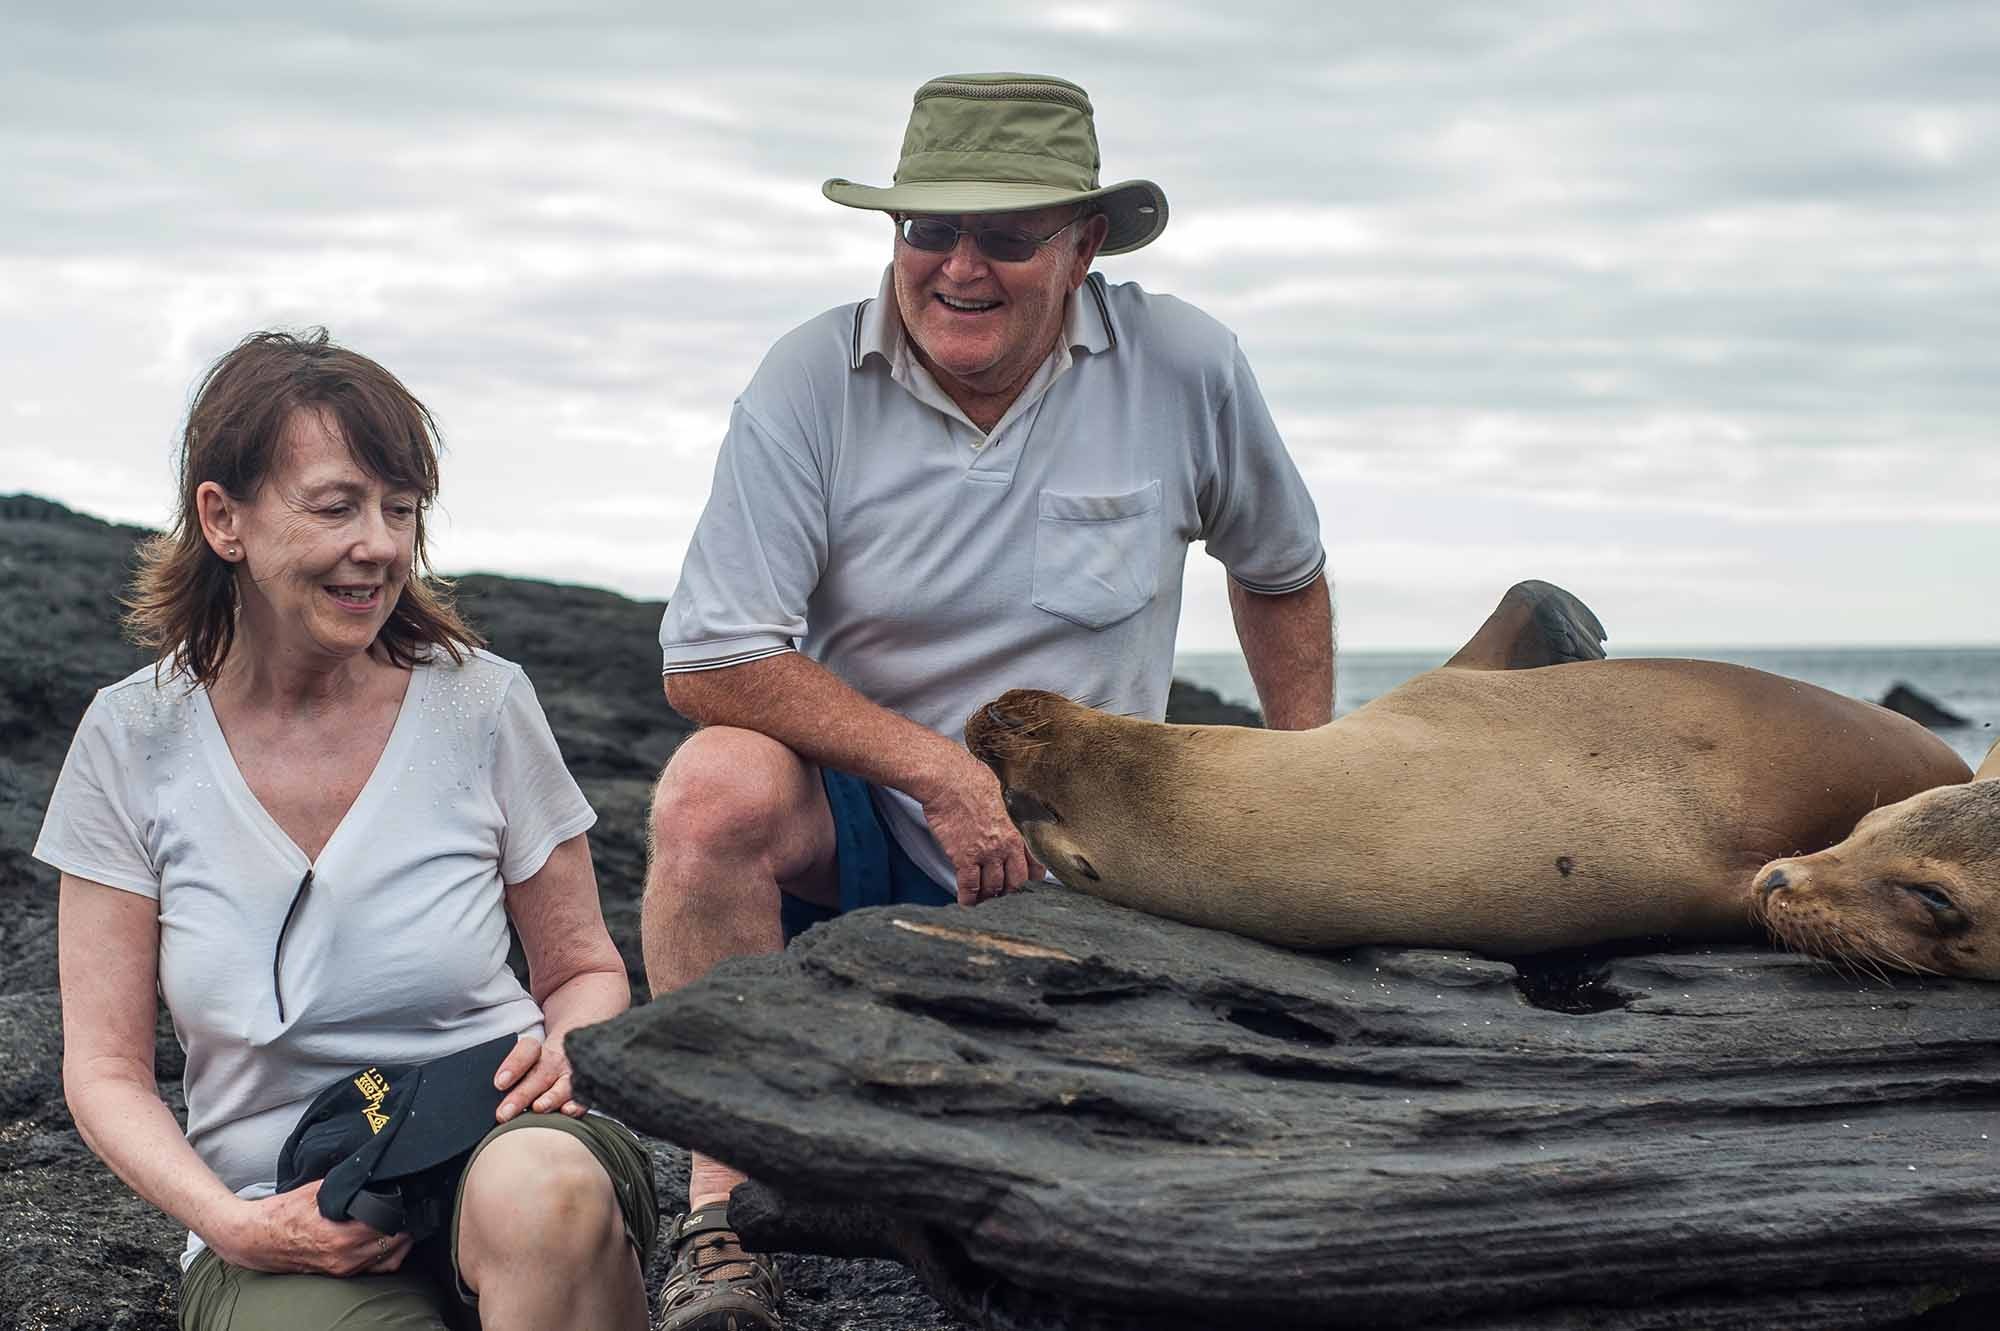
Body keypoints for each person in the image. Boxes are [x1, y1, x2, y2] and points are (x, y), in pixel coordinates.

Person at [642, 72, 1332, 1331]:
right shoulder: (809, 377)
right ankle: (716, 1221)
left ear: (1079, 249)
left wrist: (1316, 792)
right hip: (864, 829)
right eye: (927, 230)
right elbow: (709, 653)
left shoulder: (1183, 364)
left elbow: (1281, 575)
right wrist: (939, 771)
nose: (958, 265)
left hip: (1099, 848)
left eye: (1005, 236)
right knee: (707, 797)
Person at [36, 330, 657, 1331]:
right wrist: (233, 1225)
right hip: (269, 1200)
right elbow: (103, 1068)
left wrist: (568, 1045)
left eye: (401, 508)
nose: (379, 542)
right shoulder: (131, 737)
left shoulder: (482, 707)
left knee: (548, 1195)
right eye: (337, 506)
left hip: (500, 1142)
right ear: (222, 517)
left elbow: (581, 965)